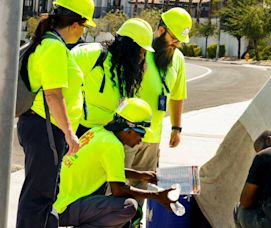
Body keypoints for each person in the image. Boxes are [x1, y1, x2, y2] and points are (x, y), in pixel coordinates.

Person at [16, 0, 95, 227]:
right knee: (40, 195)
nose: (83, 32)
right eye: (84, 26)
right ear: (74, 25)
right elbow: (53, 95)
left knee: (45, 192)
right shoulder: (54, 48)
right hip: (46, 127)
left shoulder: (51, 44)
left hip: (44, 127)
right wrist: (70, 133)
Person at [54, 98, 177, 227]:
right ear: (128, 129)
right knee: (128, 207)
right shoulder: (113, 146)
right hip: (65, 208)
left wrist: (140, 175)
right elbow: (118, 189)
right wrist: (157, 196)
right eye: (141, 133)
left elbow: (111, 170)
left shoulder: (98, 132)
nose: (141, 139)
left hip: (59, 202)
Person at [125, 7, 192, 180]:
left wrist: (176, 128)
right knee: (116, 188)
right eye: (174, 39)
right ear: (161, 30)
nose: (176, 44)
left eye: (180, 42)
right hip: (127, 133)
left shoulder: (178, 58)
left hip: (153, 137)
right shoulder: (140, 50)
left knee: (142, 187)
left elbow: (177, 95)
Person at [71, 18, 154, 137]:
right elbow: (60, 79)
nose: (142, 56)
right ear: (130, 47)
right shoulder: (92, 53)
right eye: (141, 51)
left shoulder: (128, 71)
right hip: (77, 131)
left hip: (106, 134)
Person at [233, 129, 271, 228]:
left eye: (259, 150)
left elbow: (245, 201)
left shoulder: (264, 156)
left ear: (269, 140)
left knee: (238, 209)